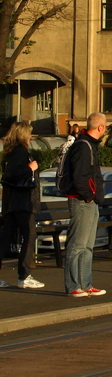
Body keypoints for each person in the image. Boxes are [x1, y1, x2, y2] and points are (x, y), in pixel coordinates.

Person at [63, 112, 107, 297]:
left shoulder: (87, 144)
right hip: (82, 201)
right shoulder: (83, 146)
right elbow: (79, 176)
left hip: (89, 201)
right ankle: (74, 285)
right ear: (100, 127)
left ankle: (86, 283)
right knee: (77, 245)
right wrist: (89, 196)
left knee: (88, 245)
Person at [0, 121, 44, 289]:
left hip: (13, 203)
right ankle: (24, 275)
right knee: (29, 236)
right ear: (24, 135)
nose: (31, 138)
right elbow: (13, 175)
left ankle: (23, 275)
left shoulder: (11, 151)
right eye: (30, 134)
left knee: (5, 238)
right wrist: (30, 168)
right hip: (23, 202)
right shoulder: (20, 152)